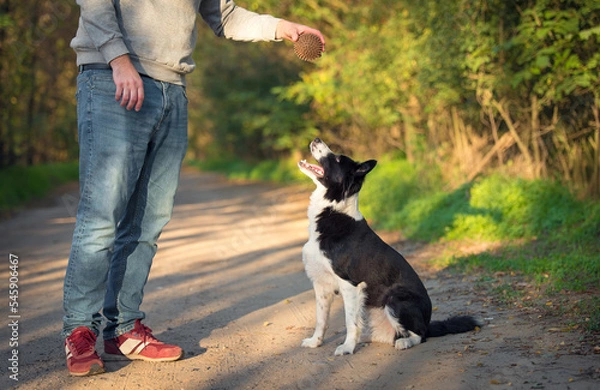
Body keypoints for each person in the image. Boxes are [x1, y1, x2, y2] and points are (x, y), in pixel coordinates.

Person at [63, 0, 325, 377]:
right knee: (102, 216)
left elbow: (225, 15)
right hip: (111, 79)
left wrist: (280, 26)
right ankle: (80, 331)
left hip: (171, 88)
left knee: (148, 222)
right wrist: (119, 61)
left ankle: (122, 330)